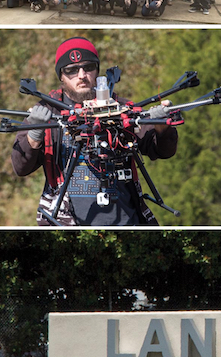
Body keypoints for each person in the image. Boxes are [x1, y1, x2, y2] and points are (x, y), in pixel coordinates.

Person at [12, 37, 178, 225]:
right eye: (71, 70)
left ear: (97, 71)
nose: (81, 75)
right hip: (66, 223)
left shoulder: (119, 108)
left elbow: (163, 151)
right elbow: (20, 167)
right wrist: (34, 135)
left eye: (88, 67)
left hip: (127, 222)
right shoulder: (46, 112)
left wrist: (162, 127)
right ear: (61, 76)